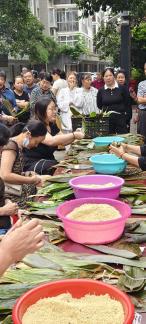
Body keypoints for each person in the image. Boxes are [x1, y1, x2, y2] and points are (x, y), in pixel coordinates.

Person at [23, 96, 84, 175]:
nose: (55, 112)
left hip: (49, 161)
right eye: (51, 109)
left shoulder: (52, 124)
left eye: (55, 109)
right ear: (42, 110)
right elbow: (51, 141)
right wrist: (74, 135)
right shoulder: (36, 125)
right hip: (34, 163)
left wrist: (75, 134)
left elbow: (63, 142)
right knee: (63, 170)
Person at [0, 120, 47, 207]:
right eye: (36, 142)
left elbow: (14, 170)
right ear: (29, 135)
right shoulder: (11, 146)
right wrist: (30, 180)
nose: (36, 145)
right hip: (10, 195)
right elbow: (5, 175)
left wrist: (27, 174)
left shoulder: (18, 147)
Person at [97, 67, 130, 134]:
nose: (108, 78)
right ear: (103, 78)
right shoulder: (101, 90)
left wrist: (126, 119)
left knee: (123, 140)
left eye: (110, 75)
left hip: (121, 120)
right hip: (107, 121)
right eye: (106, 76)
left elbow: (127, 104)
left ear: (114, 76)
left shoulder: (122, 88)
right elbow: (99, 105)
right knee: (108, 140)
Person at [137, 62, 146, 137]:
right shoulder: (142, 84)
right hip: (143, 114)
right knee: (142, 138)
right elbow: (139, 100)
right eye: (145, 69)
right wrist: (142, 99)